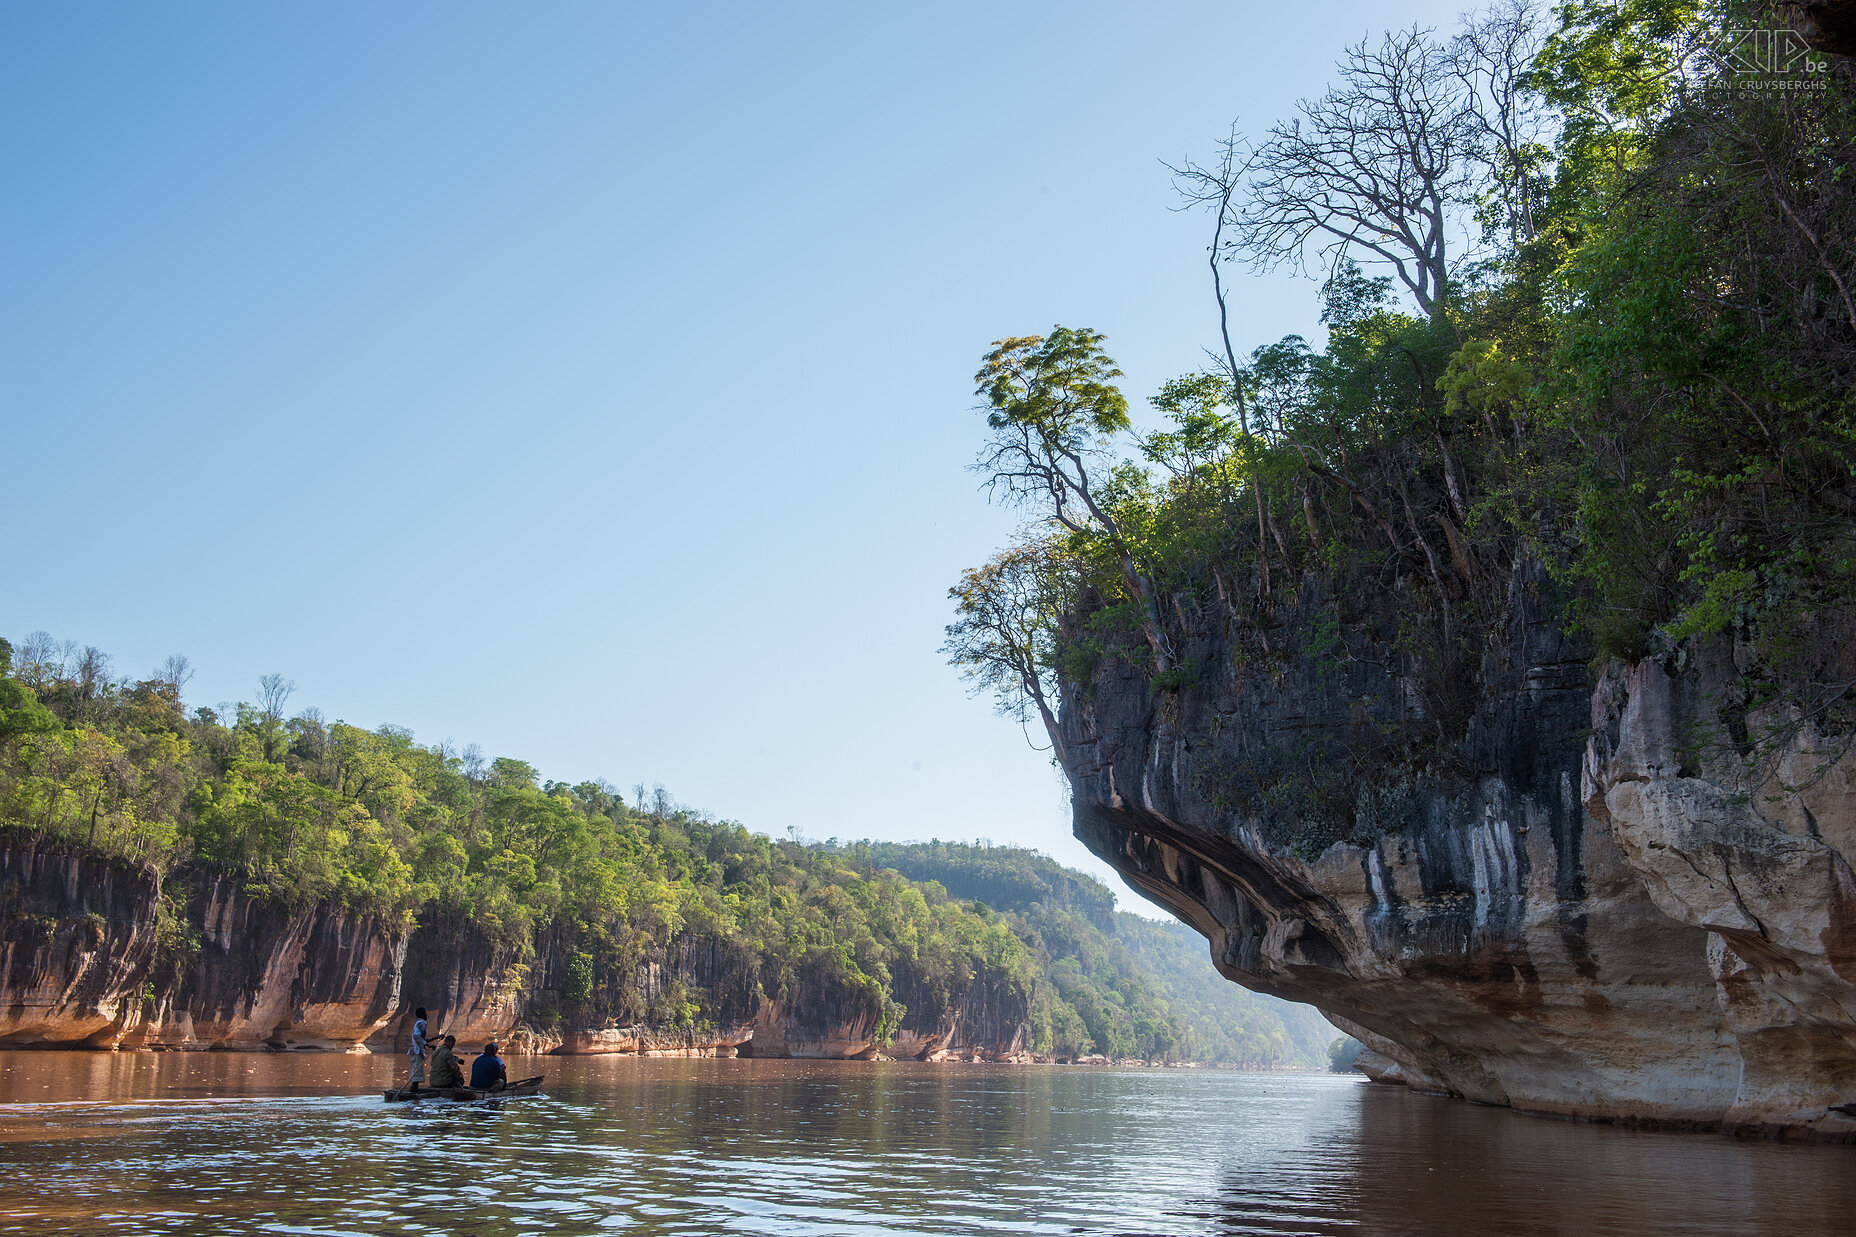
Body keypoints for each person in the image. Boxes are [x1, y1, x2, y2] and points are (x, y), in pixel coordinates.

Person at [405, 1007, 438, 1093]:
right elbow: (416, 1036)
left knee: (416, 1073)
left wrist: (436, 1038)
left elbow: (422, 1038)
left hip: (414, 1051)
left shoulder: (418, 1023)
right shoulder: (421, 1023)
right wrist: (428, 1045)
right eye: (425, 1013)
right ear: (423, 1014)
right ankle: (413, 1094)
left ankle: (413, 1093)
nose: (427, 1015)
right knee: (417, 1073)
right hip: (416, 1051)